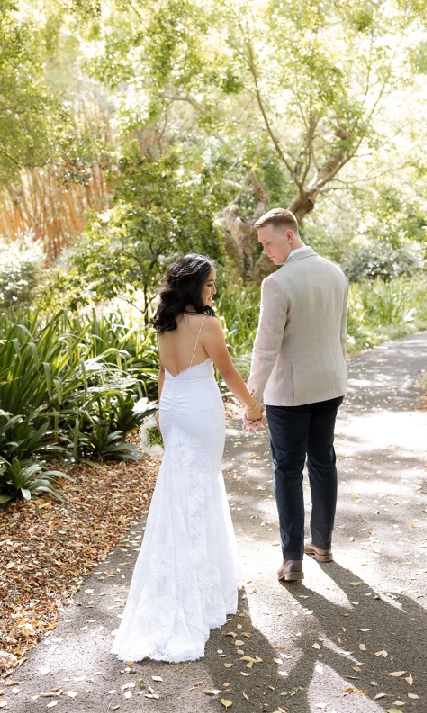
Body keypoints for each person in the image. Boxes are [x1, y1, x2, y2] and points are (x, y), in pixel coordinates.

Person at [111, 254, 263, 663]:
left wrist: (164, 412)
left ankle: (190, 569)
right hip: (199, 409)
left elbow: (163, 372)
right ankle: (199, 578)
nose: (214, 290)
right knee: (203, 485)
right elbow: (227, 372)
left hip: (175, 407)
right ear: (195, 286)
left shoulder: (165, 322)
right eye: (210, 283)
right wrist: (253, 406)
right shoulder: (207, 324)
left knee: (180, 485)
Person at [246, 209, 348, 582]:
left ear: (289, 236)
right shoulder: (335, 273)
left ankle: (292, 560)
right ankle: (322, 545)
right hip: (330, 386)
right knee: (323, 463)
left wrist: (251, 397)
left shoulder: (278, 283)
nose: (265, 252)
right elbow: (340, 336)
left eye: (268, 243)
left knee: (287, 471)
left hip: (289, 395)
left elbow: (265, 348)